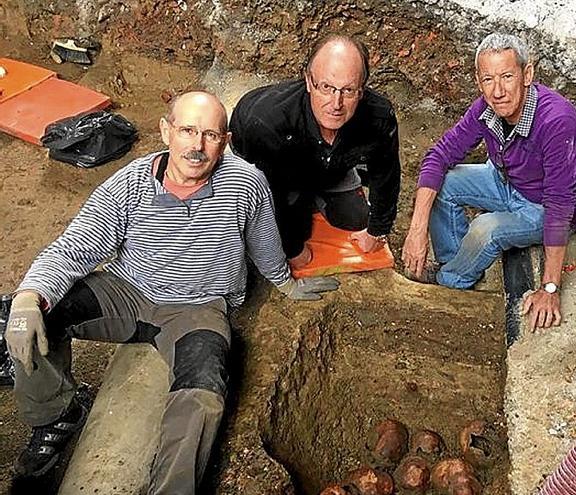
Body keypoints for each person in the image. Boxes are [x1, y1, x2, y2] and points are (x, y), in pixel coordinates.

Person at [3, 91, 338, 493]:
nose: (196, 146)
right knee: (35, 317)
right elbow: (75, 247)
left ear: (225, 141)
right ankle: (57, 412)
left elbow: (263, 240)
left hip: (198, 308)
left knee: (204, 397)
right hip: (126, 290)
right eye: (187, 130)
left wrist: (285, 283)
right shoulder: (129, 185)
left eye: (210, 135)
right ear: (166, 131)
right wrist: (30, 296)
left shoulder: (245, 185)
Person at [402, 33, 576, 331]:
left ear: (526, 74)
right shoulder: (485, 108)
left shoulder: (557, 121)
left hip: (542, 205)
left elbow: (560, 205)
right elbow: (438, 156)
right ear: (479, 83)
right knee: (446, 183)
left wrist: (550, 288)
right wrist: (417, 231)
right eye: (488, 79)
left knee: (485, 228)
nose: (498, 91)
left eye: (507, 76)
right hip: (509, 180)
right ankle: (458, 265)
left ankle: (449, 281)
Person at [229, 34, 401, 270]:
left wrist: (377, 229)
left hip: (330, 159)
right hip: (271, 163)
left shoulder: (378, 116)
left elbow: (386, 175)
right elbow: (272, 197)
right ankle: (303, 199)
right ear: (309, 82)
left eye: (348, 90)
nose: (336, 103)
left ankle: (314, 193)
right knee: (281, 230)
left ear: (361, 91)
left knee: (357, 218)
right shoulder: (265, 123)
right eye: (326, 87)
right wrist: (292, 249)